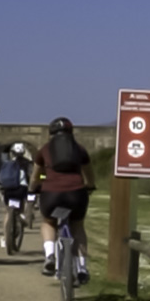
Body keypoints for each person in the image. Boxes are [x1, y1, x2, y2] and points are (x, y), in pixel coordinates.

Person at [33, 117, 94, 283]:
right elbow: (88, 172)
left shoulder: (44, 150)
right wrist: (90, 185)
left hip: (51, 194)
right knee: (78, 225)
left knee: (48, 222)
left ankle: (50, 255)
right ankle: (81, 266)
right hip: (76, 193)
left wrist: (33, 187)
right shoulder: (79, 149)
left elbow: (36, 174)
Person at [0, 142, 33, 241]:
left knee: (7, 212)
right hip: (21, 188)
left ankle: (5, 237)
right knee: (22, 202)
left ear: (12, 152)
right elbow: (32, 176)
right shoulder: (28, 163)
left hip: (8, 188)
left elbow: (0, 174)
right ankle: (21, 215)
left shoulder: (7, 163)